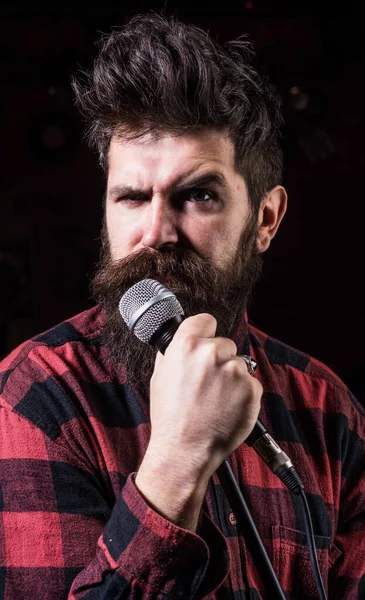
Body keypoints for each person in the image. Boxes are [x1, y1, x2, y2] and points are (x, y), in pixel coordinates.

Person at [0, 12, 364, 600]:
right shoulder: (36, 398)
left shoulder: (328, 410)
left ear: (265, 219)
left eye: (197, 195)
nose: (155, 231)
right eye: (131, 197)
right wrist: (177, 462)